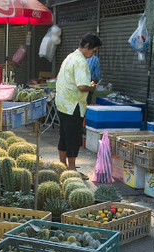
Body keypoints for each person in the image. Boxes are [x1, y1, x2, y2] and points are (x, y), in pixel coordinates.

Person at [55, 33, 102, 180]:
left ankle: (62, 167)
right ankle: (72, 170)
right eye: (93, 51)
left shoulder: (70, 57)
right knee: (74, 138)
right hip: (73, 105)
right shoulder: (80, 61)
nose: (92, 55)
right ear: (87, 46)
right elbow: (82, 86)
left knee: (64, 135)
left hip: (62, 103)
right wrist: (93, 87)